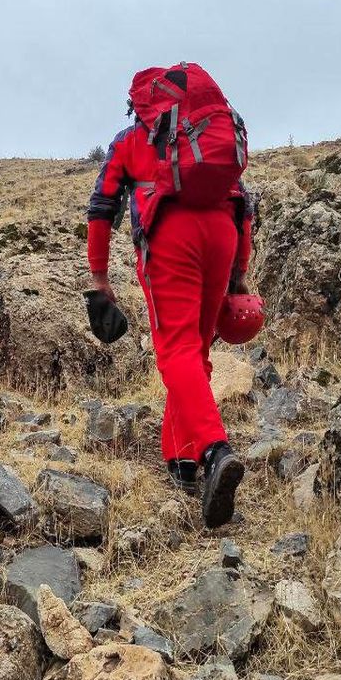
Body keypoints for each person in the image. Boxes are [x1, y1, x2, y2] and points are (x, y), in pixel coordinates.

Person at [86, 63, 254, 529]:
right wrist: (240, 271)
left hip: (171, 237)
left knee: (175, 350)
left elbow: (101, 208)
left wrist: (99, 277)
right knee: (195, 351)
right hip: (221, 234)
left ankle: (216, 451)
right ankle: (181, 458)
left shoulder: (133, 139)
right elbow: (244, 202)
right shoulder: (199, 134)